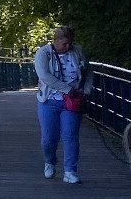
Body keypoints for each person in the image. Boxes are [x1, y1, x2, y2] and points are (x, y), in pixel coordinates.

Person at [33, 24, 90, 183]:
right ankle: (50, 161)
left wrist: (86, 90)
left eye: (70, 43)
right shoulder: (43, 53)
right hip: (49, 100)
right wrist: (67, 89)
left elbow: (89, 71)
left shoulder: (77, 51)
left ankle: (70, 171)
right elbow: (44, 76)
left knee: (70, 135)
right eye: (65, 43)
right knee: (49, 138)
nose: (68, 46)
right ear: (55, 40)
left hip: (72, 102)